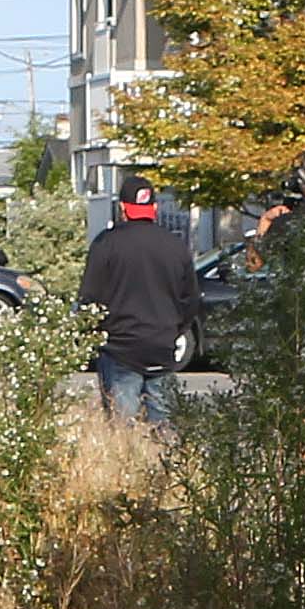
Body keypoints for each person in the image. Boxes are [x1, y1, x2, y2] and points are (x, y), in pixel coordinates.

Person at [81, 177, 199, 428]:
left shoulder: (107, 243)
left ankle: (128, 466)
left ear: (122, 209)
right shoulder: (175, 246)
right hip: (162, 347)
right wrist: (174, 330)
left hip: (120, 348)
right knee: (166, 437)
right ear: (154, 208)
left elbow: (89, 298)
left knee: (123, 432)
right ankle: (163, 467)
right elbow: (190, 300)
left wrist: (94, 333)